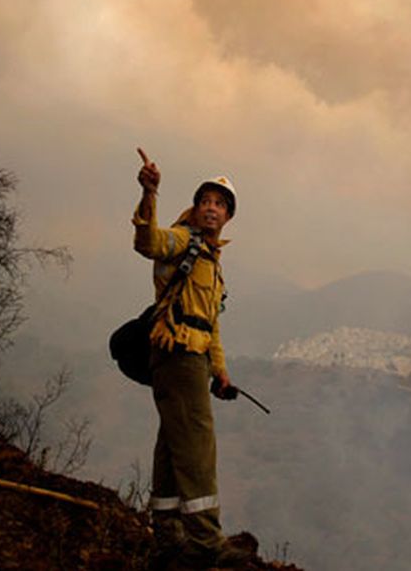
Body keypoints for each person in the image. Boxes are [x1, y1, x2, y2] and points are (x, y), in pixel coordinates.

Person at [132, 148, 251, 569]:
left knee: (171, 446)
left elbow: (211, 324)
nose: (212, 208)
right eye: (207, 201)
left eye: (220, 204)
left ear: (228, 216)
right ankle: (206, 542)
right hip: (175, 354)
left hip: (194, 360)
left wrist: (220, 372)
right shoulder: (183, 239)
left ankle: (166, 535)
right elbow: (148, 242)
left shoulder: (213, 261)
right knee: (198, 446)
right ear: (196, 206)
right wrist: (150, 194)